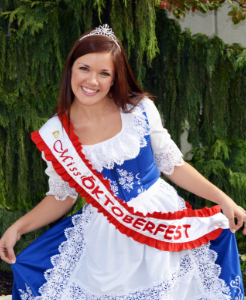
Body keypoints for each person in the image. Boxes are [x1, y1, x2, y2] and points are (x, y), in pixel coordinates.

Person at [0, 24, 245, 300]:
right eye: (84, 68)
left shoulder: (139, 110)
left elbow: (173, 165)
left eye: (104, 73)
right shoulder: (55, 134)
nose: (92, 81)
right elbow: (63, 196)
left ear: (115, 79)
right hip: (104, 238)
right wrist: (18, 228)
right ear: (70, 68)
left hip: (163, 224)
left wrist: (224, 199)